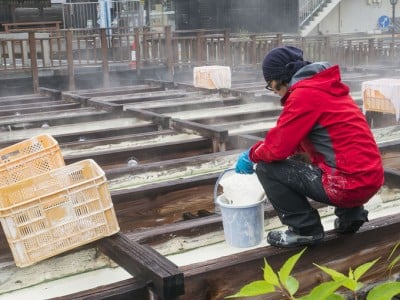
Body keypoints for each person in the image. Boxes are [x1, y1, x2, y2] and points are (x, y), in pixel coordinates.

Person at [235, 46, 384, 248]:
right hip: (371, 179)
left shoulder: (304, 95)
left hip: (347, 186)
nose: (276, 92)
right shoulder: (327, 88)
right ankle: (352, 217)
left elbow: (276, 148)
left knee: (266, 168)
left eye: (272, 86)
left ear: (281, 78)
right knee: (337, 157)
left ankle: (304, 230)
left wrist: (252, 155)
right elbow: (305, 141)